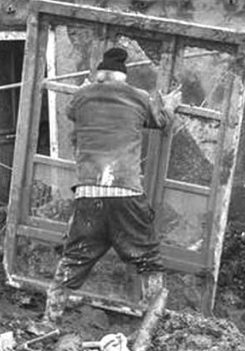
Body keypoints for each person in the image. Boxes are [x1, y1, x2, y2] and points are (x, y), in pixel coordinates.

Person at [44, 47, 181, 321]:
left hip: (89, 194)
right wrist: (169, 104)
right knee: (148, 260)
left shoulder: (82, 96)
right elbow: (161, 121)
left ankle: (49, 320)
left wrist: (86, 87)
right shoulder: (139, 97)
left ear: (99, 75)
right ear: (123, 77)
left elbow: (71, 112)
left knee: (75, 257)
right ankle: (152, 323)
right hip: (126, 192)